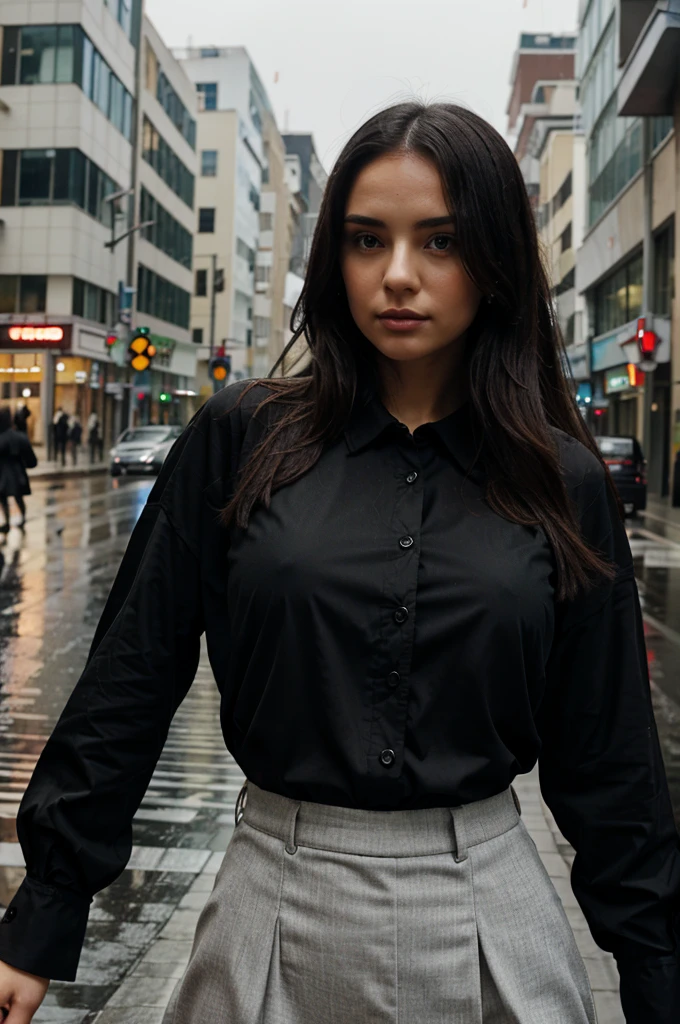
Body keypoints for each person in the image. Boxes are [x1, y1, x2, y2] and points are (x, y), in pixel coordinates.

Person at [0, 101, 679, 1024]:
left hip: (488, 904)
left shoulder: (561, 481)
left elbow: (611, 762)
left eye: (440, 241)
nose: (398, 276)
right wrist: (42, 918)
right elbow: (131, 679)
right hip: (273, 900)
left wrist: (654, 975)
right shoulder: (241, 438)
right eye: (368, 240)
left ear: (496, 261)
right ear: (333, 258)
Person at [0, 406, 37, 532]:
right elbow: (31, 459)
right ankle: (22, 518)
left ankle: (7, 521)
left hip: (3, 473)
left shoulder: (2, 438)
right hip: (18, 471)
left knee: (3, 497)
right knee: (18, 497)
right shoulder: (20, 437)